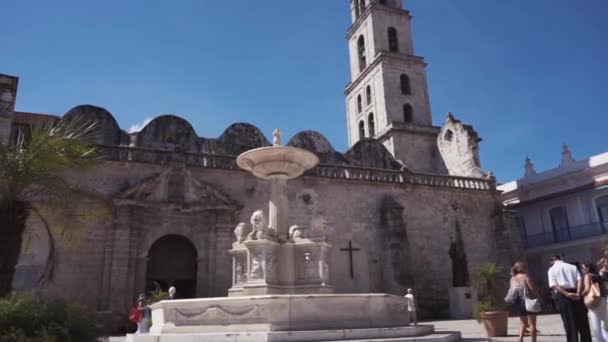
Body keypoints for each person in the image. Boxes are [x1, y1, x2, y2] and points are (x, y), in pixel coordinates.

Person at [548, 255, 591, 342]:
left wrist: (566, 294)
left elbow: (554, 285)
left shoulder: (551, 270)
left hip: (563, 296)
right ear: (561, 259)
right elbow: (579, 280)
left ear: (552, 261)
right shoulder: (572, 267)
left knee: (569, 323)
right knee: (582, 322)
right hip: (576, 292)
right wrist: (578, 293)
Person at [509, 261, 538, 342]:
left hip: (518, 302)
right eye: (524, 266)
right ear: (521, 268)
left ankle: (520, 339)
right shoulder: (526, 277)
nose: (526, 267)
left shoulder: (512, 278)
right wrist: (538, 294)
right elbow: (532, 288)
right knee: (532, 324)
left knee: (523, 322)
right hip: (528, 301)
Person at [582, 262, 608, 342]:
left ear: (588, 268)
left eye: (583, 268)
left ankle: (600, 340)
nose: (582, 270)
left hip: (594, 300)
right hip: (603, 299)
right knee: (604, 322)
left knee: (596, 325)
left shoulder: (588, 276)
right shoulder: (598, 276)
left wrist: (581, 294)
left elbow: (587, 289)